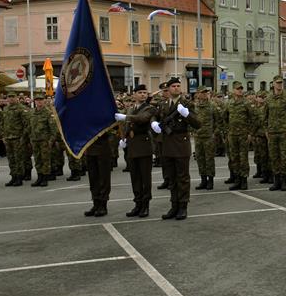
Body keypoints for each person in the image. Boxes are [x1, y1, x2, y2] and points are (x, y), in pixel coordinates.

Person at [156, 77, 200, 220]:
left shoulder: (187, 103)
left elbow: (198, 123)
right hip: (167, 144)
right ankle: (173, 206)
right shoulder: (163, 105)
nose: (176, 88)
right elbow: (155, 118)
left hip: (181, 143)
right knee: (171, 177)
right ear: (168, 89)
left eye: (178, 85)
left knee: (182, 177)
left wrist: (187, 115)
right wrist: (154, 125)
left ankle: (183, 206)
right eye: (173, 86)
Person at [115, 84, 156, 218]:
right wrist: (124, 138)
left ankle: (145, 205)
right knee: (135, 178)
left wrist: (125, 117)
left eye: (145, 92)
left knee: (145, 178)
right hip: (132, 147)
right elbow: (127, 126)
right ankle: (137, 204)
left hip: (144, 147)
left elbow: (143, 119)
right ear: (134, 94)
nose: (143, 95)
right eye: (140, 92)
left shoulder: (149, 108)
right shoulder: (132, 108)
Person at [264, 75, 286, 191]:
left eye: (281, 83)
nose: (279, 85)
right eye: (277, 83)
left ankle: (284, 181)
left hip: (284, 132)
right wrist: (266, 130)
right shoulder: (268, 99)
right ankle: (276, 181)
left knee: (284, 157)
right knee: (274, 157)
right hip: (272, 132)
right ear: (273, 84)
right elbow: (265, 116)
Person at [225, 81, 252, 190]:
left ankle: (244, 180)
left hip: (243, 135)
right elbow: (225, 117)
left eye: (241, 88)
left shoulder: (246, 103)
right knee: (234, 158)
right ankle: (237, 180)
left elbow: (253, 118)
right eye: (237, 88)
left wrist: (250, 132)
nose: (240, 90)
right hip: (232, 135)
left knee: (243, 158)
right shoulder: (229, 103)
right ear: (233, 90)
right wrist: (227, 130)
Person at [83, 132, 112, 217]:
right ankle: (96, 203)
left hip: (102, 147)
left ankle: (103, 205)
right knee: (93, 178)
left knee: (103, 178)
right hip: (90, 147)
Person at [193, 86, 216, 191]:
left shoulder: (212, 106)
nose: (204, 94)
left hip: (208, 137)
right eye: (202, 92)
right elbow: (192, 120)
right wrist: (192, 131)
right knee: (200, 159)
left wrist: (215, 133)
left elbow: (218, 120)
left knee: (209, 159)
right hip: (198, 137)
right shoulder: (195, 106)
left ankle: (210, 181)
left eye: (206, 92)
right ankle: (203, 180)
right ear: (197, 94)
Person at [2, 92, 28, 186]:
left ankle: (19, 177)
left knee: (18, 158)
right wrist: (3, 136)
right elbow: (3, 123)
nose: (11, 99)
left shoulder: (21, 109)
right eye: (9, 97)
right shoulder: (6, 109)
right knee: (11, 158)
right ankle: (13, 176)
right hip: (8, 137)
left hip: (18, 137)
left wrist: (23, 137)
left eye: (13, 97)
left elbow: (26, 124)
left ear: (16, 98)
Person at [28, 94, 54, 187]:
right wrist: (30, 138)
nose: (39, 101)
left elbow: (53, 128)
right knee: (37, 159)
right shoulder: (32, 112)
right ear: (34, 101)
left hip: (44, 140)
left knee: (45, 159)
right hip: (35, 140)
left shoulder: (48, 113)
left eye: (41, 100)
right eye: (37, 100)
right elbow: (29, 127)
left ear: (44, 101)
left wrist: (51, 140)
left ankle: (45, 178)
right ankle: (39, 177)